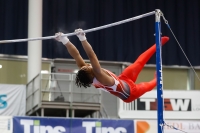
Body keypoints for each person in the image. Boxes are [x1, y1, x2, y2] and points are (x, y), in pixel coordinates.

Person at [55, 29, 169, 103]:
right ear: (91, 73)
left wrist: (64, 40)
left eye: (85, 67)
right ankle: (157, 80)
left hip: (123, 79)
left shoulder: (85, 71)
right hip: (130, 94)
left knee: (139, 62)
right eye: (88, 68)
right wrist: (82, 38)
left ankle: (157, 44)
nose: (87, 66)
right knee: (148, 84)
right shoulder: (99, 76)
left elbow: (76, 54)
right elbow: (91, 55)